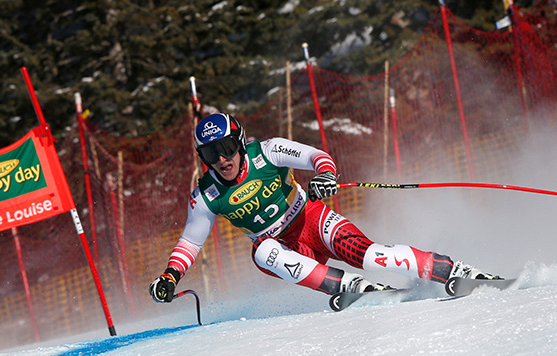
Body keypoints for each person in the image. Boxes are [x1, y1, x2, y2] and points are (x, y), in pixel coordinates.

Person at [149, 113, 500, 303]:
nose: (222, 159)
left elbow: (316, 157)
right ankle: (348, 287)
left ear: (239, 142)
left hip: (312, 220)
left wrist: (326, 176)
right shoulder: (206, 194)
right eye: (211, 153)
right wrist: (170, 276)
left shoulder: (267, 151)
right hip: (288, 250)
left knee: (373, 255)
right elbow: (191, 243)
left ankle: (453, 269)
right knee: (262, 252)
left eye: (226, 147)